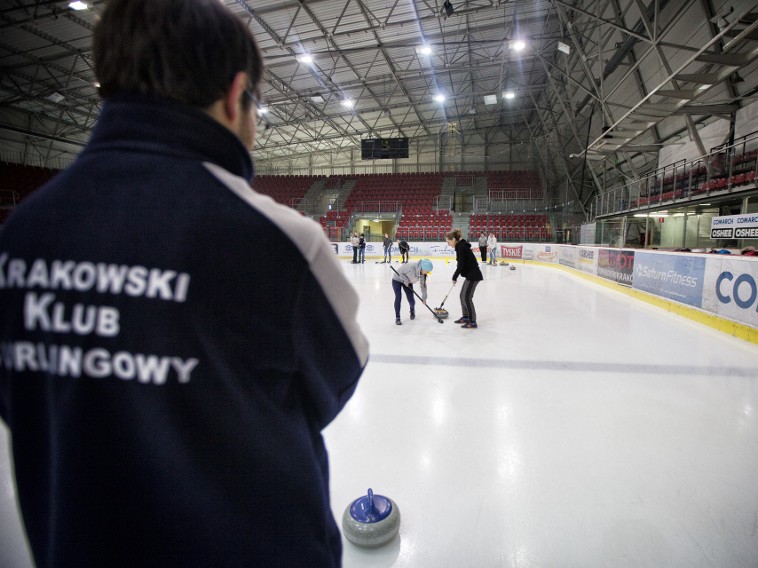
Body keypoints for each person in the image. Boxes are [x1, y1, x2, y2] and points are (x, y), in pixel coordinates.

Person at [0, 1, 369, 566]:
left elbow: (24, 402)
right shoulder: (280, 241)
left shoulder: (19, 237)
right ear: (233, 93)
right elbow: (334, 384)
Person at [446, 229, 484, 328]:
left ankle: (472, 321)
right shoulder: (460, 247)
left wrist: (454, 276)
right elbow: (461, 263)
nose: (448, 244)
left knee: (467, 297)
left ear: (454, 239)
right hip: (470, 275)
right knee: (462, 295)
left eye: (449, 242)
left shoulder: (461, 247)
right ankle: (466, 317)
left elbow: (461, 264)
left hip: (474, 275)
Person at [391, 259, 432, 325]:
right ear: (423, 268)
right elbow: (400, 272)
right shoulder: (411, 267)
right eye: (427, 271)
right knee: (398, 297)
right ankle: (397, 317)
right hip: (397, 279)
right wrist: (405, 280)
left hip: (408, 281)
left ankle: (412, 310)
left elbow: (423, 287)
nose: (427, 273)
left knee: (411, 300)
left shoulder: (422, 275)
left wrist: (424, 298)